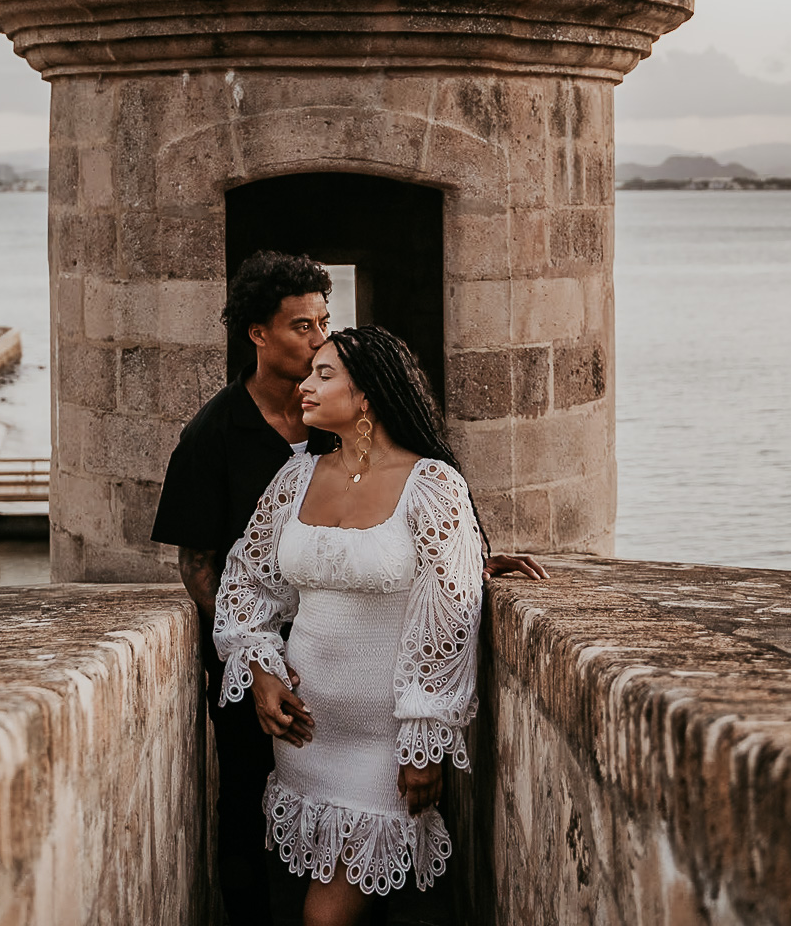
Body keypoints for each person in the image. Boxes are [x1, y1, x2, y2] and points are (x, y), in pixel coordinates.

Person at [213, 326, 528, 926]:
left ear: (367, 397)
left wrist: (424, 736)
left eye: (324, 375)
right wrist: (259, 670)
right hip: (305, 737)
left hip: (385, 744)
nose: (304, 385)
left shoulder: (432, 485)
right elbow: (248, 587)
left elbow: (450, 615)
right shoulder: (294, 478)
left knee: (324, 916)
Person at [151, 250, 334, 926]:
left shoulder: (337, 423)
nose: (319, 340)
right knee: (246, 810)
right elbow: (198, 564)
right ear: (258, 334)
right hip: (250, 667)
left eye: (324, 323)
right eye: (301, 327)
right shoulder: (212, 433)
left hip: (341, 652)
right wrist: (254, 653)